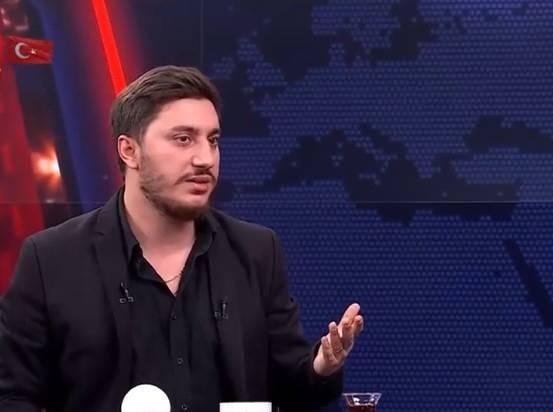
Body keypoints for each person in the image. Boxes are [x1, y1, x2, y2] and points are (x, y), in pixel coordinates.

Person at [0, 65, 363, 412]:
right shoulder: (51, 260)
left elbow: (291, 386)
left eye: (213, 140)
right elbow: (12, 394)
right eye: (183, 139)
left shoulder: (256, 251)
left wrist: (320, 368)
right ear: (129, 150)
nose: (205, 159)